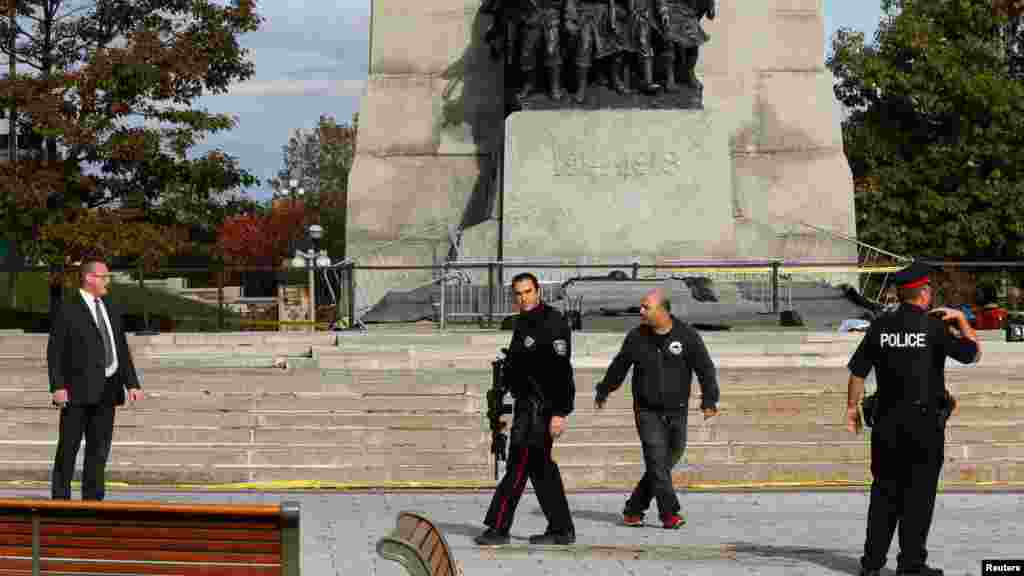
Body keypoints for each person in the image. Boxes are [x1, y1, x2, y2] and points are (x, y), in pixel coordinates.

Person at [846, 261, 980, 576]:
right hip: (923, 426)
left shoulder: (879, 326)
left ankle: (872, 565)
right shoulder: (934, 327)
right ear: (922, 293)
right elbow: (972, 353)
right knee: (918, 497)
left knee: (883, 495)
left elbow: (857, 373)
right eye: (929, 289)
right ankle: (911, 565)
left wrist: (852, 409)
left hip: (886, 425)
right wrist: (961, 319)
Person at [594, 288, 719, 529]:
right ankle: (669, 514)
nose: (640, 311)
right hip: (646, 410)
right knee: (656, 459)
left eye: (646, 307)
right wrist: (604, 389)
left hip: (677, 411)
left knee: (664, 462)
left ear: (663, 311)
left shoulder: (687, 336)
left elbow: (705, 369)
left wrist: (709, 401)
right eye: (641, 307)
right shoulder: (636, 337)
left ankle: (634, 508)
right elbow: (619, 366)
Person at [474, 272, 576, 546]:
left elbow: (561, 372)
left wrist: (559, 413)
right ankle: (561, 529)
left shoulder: (552, 322)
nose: (523, 298)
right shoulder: (522, 323)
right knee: (541, 470)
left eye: (528, 291)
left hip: (542, 409)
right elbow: (519, 367)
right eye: (518, 293)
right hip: (525, 406)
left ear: (538, 291)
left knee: (519, 466)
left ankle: (498, 528)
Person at [48, 258, 143, 500]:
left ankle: (93, 500)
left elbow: (120, 346)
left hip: (108, 388)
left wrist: (131, 383)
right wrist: (57, 386)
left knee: (99, 449)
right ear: (89, 278)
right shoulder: (67, 307)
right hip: (76, 389)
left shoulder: (110, 306)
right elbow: (55, 350)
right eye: (104, 277)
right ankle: (60, 499)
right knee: (68, 447)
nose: (107, 281)